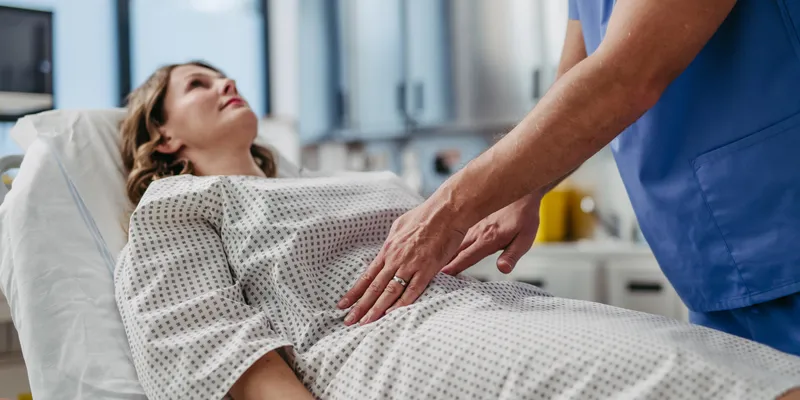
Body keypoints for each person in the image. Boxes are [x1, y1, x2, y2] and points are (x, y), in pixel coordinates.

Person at [115, 61, 800, 400]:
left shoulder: (316, 183)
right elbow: (216, 356)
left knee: (729, 364)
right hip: (385, 348)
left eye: (221, 74)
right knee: (683, 377)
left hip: (493, 310)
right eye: (197, 85)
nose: (224, 82)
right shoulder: (178, 206)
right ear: (164, 136)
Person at [340, 0, 800, 357]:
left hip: (779, 226)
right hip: (714, 263)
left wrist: (449, 208)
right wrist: (524, 190)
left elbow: (624, 75)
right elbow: (576, 77)